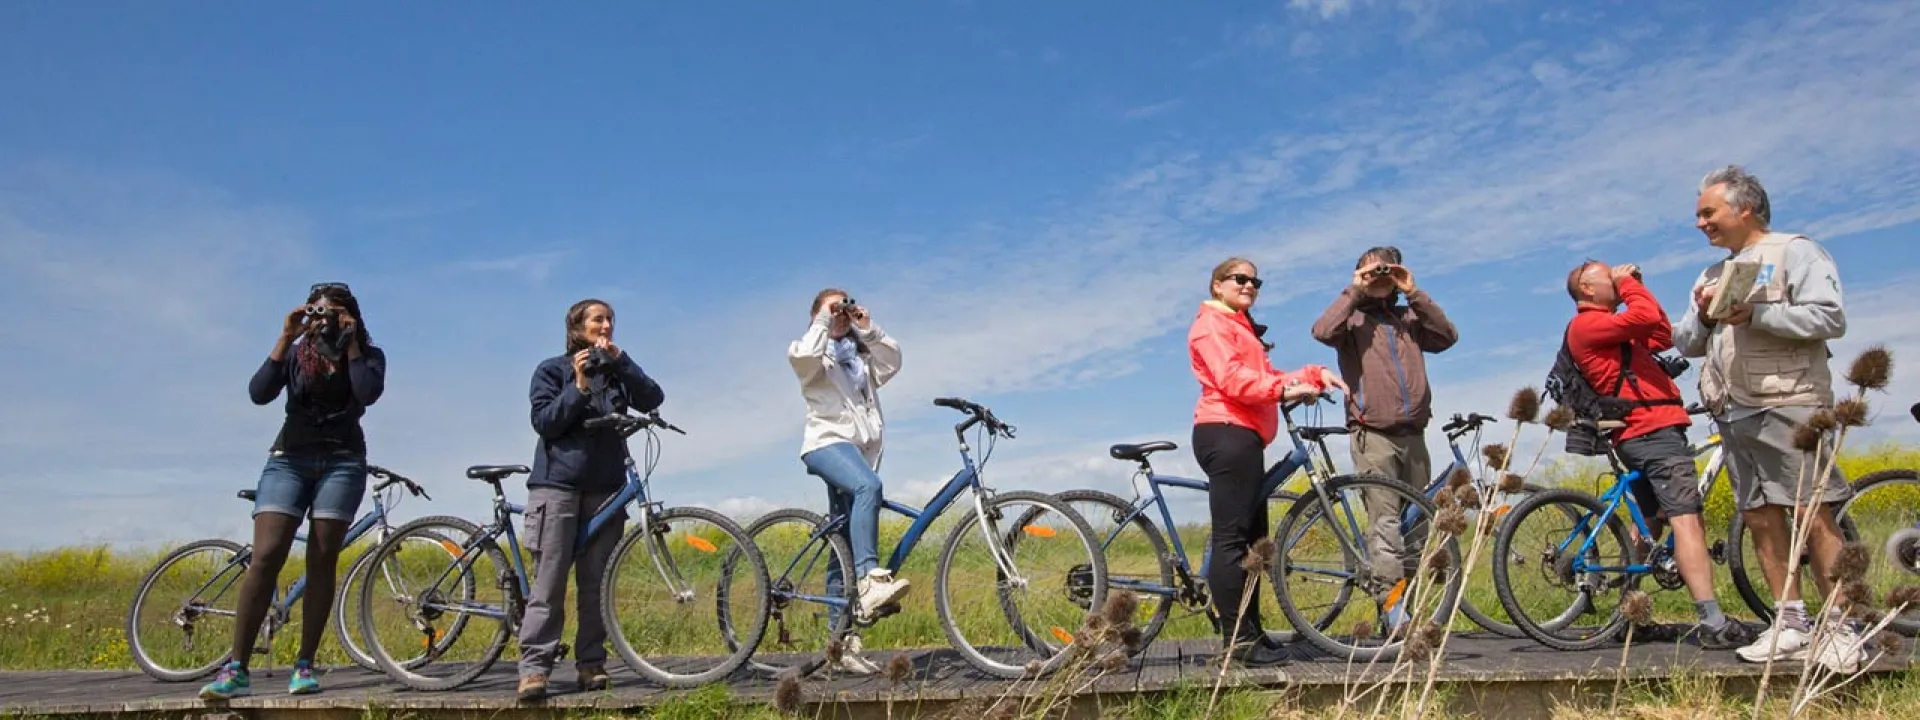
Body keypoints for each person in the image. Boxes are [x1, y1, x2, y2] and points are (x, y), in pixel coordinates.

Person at [1673, 165, 1863, 672]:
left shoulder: (1795, 251)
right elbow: (1688, 344)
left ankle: (1843, 626)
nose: (1700, 224)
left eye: (1708, 213)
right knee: (1759, 517)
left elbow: (1830, 318)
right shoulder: (1712, 275)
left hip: (1789, 401)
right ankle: (1791, 621)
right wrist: (1701, 312)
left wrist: (1756, 314)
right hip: (1732, 409)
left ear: (1745, 208)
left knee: (1811, 513)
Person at [200, 282, 386, 700]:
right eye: (318, 311)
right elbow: (258, 393)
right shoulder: (297, 354)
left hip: (342, 461)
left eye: (334, 313)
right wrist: (286, 336)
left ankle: (304, 664)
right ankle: (237, 668)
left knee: (322, 560)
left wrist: (351, 343)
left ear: (350, 316)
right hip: (289, 459)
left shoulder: (370, 356)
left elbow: (367, 394)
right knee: (266, 555)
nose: (325, 320)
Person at [1565, 260, 1754, 649]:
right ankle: (1713, 621)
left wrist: (1636, 288)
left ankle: (1626, 615)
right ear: (1586, 287)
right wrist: (1631, 286)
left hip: (1646, 432)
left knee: (1649, 524)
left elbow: (1663, 332)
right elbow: (1646, 314)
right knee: (1687, 522)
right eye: (1608, 276)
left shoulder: (1619, 332)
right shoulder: (1587, 325)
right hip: (1651, 433)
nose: (1618, 279)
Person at [1189, 258, 1347, 667]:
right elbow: (1233, 380)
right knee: (1231, 539)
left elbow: (1267, 374)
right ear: (1217, 285)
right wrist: (1286, 390)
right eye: (1240, 278)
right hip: (1225, 432)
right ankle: (1237, 644)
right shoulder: (1212, 325)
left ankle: (1252, 632)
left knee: (1252, 540)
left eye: (1255, 280)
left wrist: (1314, 374)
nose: (1249, 285)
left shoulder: (1239, 326)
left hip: (1245, 436)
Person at [517, 299, 665, 701]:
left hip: (607, 487)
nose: (606, 325)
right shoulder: (552, 369)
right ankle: (534, 670)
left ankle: (591, 664)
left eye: (611, 320)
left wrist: (623, 361)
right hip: (558, 485)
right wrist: (579, 386)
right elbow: (545, 422)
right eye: (598, 319)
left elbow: (652, 398)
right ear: (577, 328)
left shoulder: (616, 374)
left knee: (596, 584)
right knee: (548, 584)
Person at [1309, 246, 1457, 630]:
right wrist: (1354, 290)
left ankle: (1405, 607)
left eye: (1385, 271)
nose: (1379, 277)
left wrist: (1414, 291)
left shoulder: (1409, 317)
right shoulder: (1352, 321)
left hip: (1414, 433)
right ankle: (1393, 611)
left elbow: (1447, 336)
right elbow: (1322, 331)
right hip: (1371, 433)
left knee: (1416, 527)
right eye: (1371, 271)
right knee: (1385, 526)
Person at [788, 288, 907, 675]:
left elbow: (894, 361)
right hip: (825, 444)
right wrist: (825, 317)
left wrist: (868, 329)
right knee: (868, 488)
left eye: (845, 305)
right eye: (833, 307)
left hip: (858, 452)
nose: (842, 313)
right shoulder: (810, 351)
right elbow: (804, 358)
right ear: (818, 314)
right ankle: (872, 582)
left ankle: (839, 645)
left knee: (842, 547)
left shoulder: (860, 357)